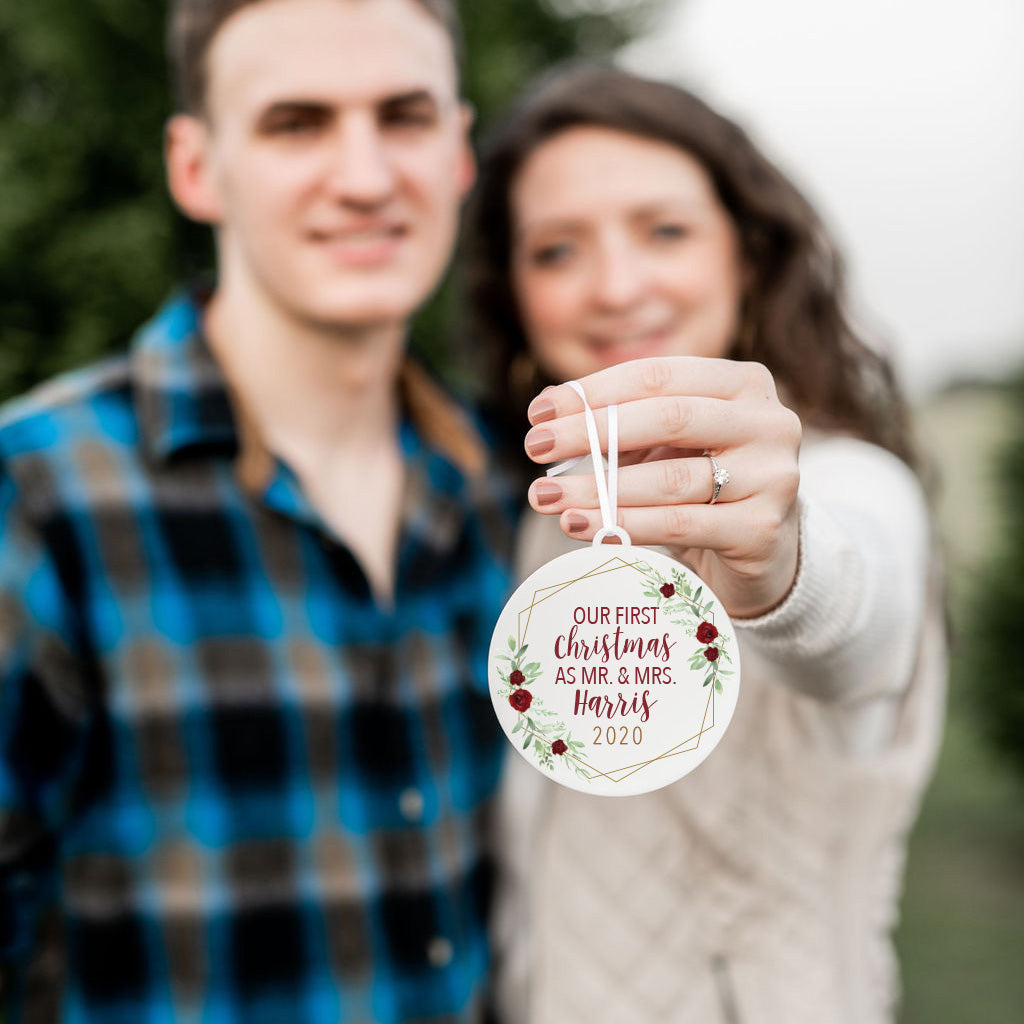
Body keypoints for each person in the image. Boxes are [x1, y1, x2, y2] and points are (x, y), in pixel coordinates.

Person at [0, 1, 514, 1021]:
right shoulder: (39, 496)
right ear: (196, 168)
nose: (365, 178)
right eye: (297, 124)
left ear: (458, 153)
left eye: (403, 117)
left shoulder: (505, 483)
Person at [463, 64, 947, 1024]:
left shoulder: (847, 484)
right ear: (514, 293)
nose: (615, 286)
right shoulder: (543, 511)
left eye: (665, 230)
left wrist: (779, 560)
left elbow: (855, 610)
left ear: (749, 255)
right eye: (557, 250)